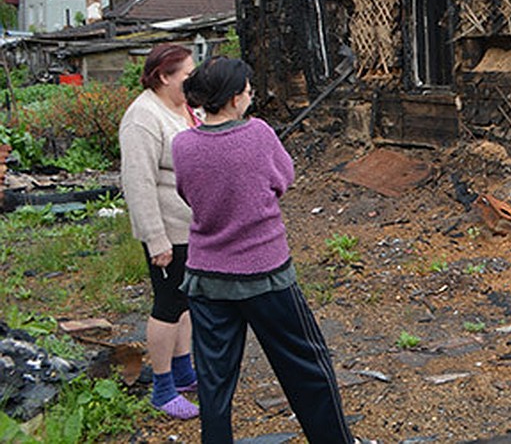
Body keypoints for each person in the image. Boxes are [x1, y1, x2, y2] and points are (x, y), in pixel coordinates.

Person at [172, 57, 366, 444]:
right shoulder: (258, 134)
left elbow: (186, 194)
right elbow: (284, 179)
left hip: (207, 277)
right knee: (307, 367)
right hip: (265, 274)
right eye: (247, 91)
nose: (251, 97)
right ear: (231, 99)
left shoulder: (183, 144)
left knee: (214, 383)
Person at [118, 43, 201, 420]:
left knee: (184, 303)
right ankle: (163, 388)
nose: (193, 78)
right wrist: (155, 239)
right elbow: (138, 183)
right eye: (187, 73)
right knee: (167, 307)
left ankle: (184, 371)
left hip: (191, 228)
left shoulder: (185, 108)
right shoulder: (142, 118)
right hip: (167, 231)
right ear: (164, 76)